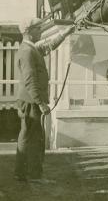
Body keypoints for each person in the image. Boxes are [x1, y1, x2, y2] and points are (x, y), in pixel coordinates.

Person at [15, 18, 75, 183]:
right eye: (38, 29)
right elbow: (29, 80)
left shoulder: (31, 48)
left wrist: (66, 32)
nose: (41, 31)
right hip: (31, 102)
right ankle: (33, 175)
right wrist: (40, 103)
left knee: (29, 136)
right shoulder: (27, 51)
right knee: (33, 138)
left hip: (29, 101)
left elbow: (49, 44)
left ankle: (22, 173)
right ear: (29, 31)